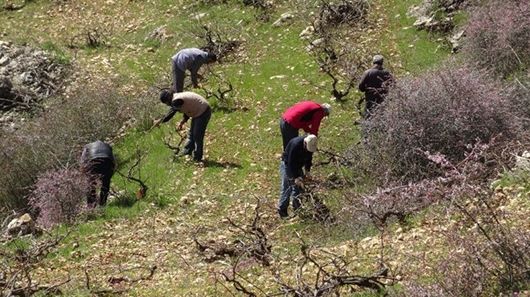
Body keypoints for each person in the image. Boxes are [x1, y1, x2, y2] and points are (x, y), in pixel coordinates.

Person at [155, 90, 212, 162]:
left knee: (197, 136)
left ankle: (197, 158)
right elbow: (188, 108)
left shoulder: (176, 100)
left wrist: (160, 121)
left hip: (203, 111)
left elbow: (170, 113)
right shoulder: (177, 98)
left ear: (167, 99)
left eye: (166, 103)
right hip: (198, 112)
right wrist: (183, 121)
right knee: (191, 135)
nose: (167, 105)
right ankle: (186, 152)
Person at [278, 134, 318, 218]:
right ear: (305, 143)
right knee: (287, 188)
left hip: (298, 165)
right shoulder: (295, 145)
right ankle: (282, 210)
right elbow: (290, 163)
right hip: (287, 165)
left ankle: (298, 210)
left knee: (299, 189)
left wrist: (307, 170)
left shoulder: (310, 145)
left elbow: (309, 158)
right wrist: (296, 177)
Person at [81, 140, 115, 207]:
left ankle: (91, 206)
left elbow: (83, 161)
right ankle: (103, 204)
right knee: (105, 183)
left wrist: (85, 174)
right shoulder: (107, 146)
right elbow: (113, 160)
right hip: (107, 161)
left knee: (91, 185)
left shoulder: (87, 147)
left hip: (92, 162)